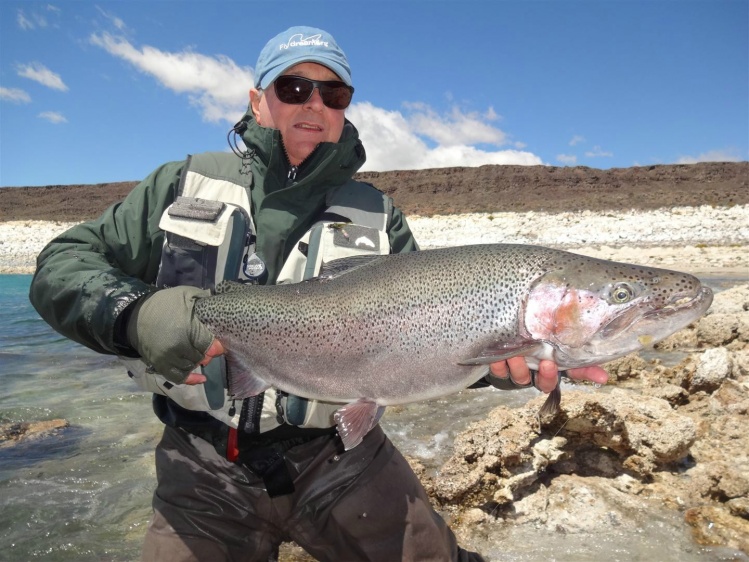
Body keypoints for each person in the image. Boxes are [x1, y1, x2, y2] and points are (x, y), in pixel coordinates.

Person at [29, 26, 607, 562]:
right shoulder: (178, 185)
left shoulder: (380, 217)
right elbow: (61, 266)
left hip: (344, 461)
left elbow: (429, 339)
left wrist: (497, 367)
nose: (315, 104)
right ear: (258, 100)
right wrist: (135, 315)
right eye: (295, 86)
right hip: (199, 467)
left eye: (334, 93)